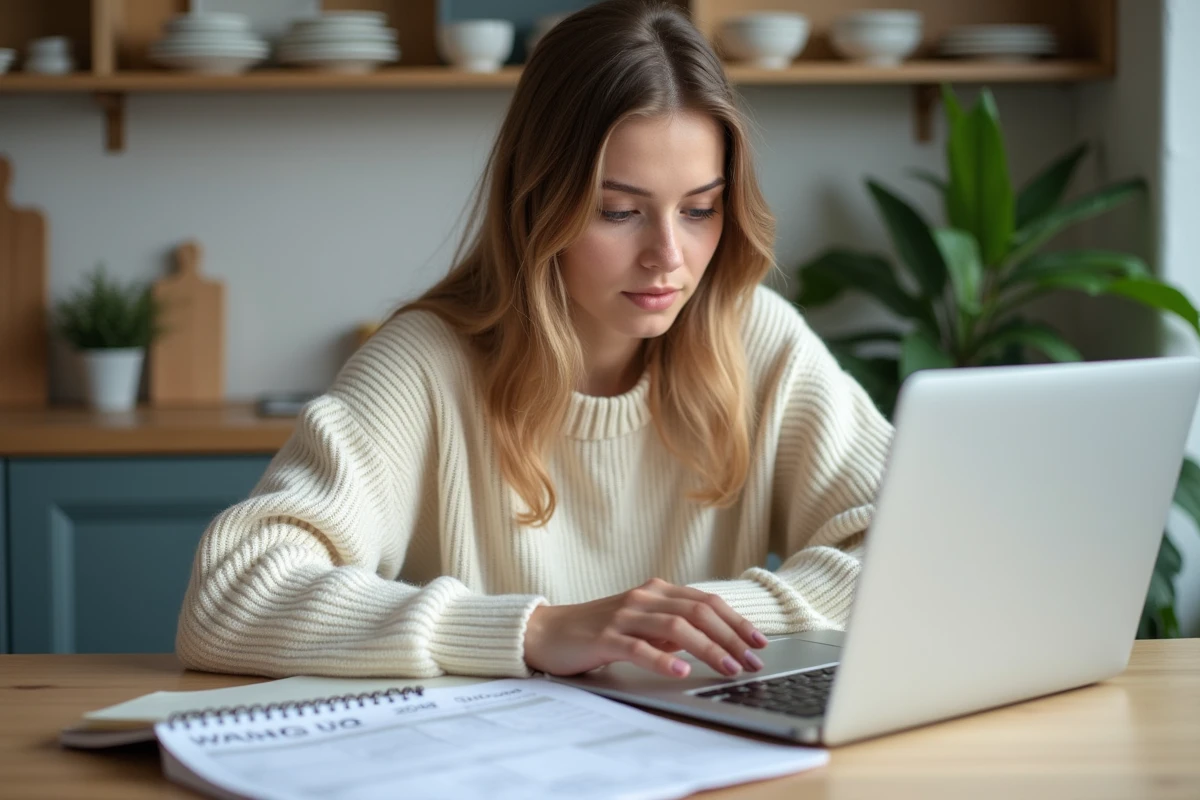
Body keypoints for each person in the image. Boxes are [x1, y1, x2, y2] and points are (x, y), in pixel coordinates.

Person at [176, 0, 893, 682]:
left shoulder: (755, 337)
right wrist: (535, 631)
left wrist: (697, 624)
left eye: (700, 209)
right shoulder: (425, 364)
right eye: (619, 211)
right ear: (538, 203)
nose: (669, 255)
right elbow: (228, 599)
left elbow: (917, 555)